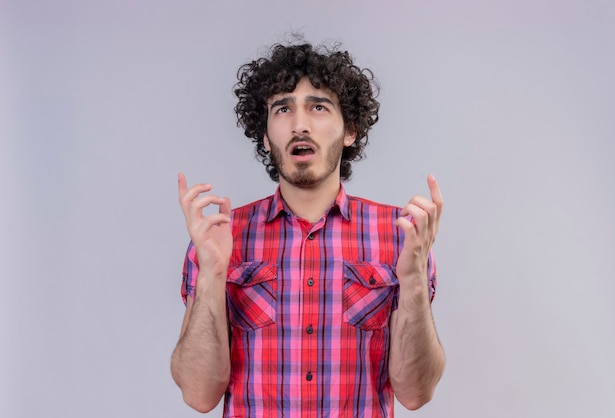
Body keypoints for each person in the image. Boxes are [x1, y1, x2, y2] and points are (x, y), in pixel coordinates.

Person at [171, 40, 445, 417]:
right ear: (266, 136)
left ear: (350, 130)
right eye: (283, 109)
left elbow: (415, 393)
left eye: (318, 107)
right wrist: (212, 276)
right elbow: (198, 395)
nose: (299, 124)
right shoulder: (219, 236)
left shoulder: (402, 235)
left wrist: (413, 279)